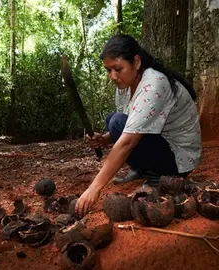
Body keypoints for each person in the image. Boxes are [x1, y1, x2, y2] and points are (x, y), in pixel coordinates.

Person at [75, 34, 202, 217]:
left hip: (179, 158)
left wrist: (94, 188)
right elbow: (132, 123)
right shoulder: (125, 85)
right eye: (108, 70)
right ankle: (142, 169)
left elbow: (128, 141)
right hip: (160, 145)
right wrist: (104, 139)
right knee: (113, 119)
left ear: (136, 61)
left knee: (117, 121)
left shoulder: (154, 83)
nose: (112, 76)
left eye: (117, 69)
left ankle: (158, 176)